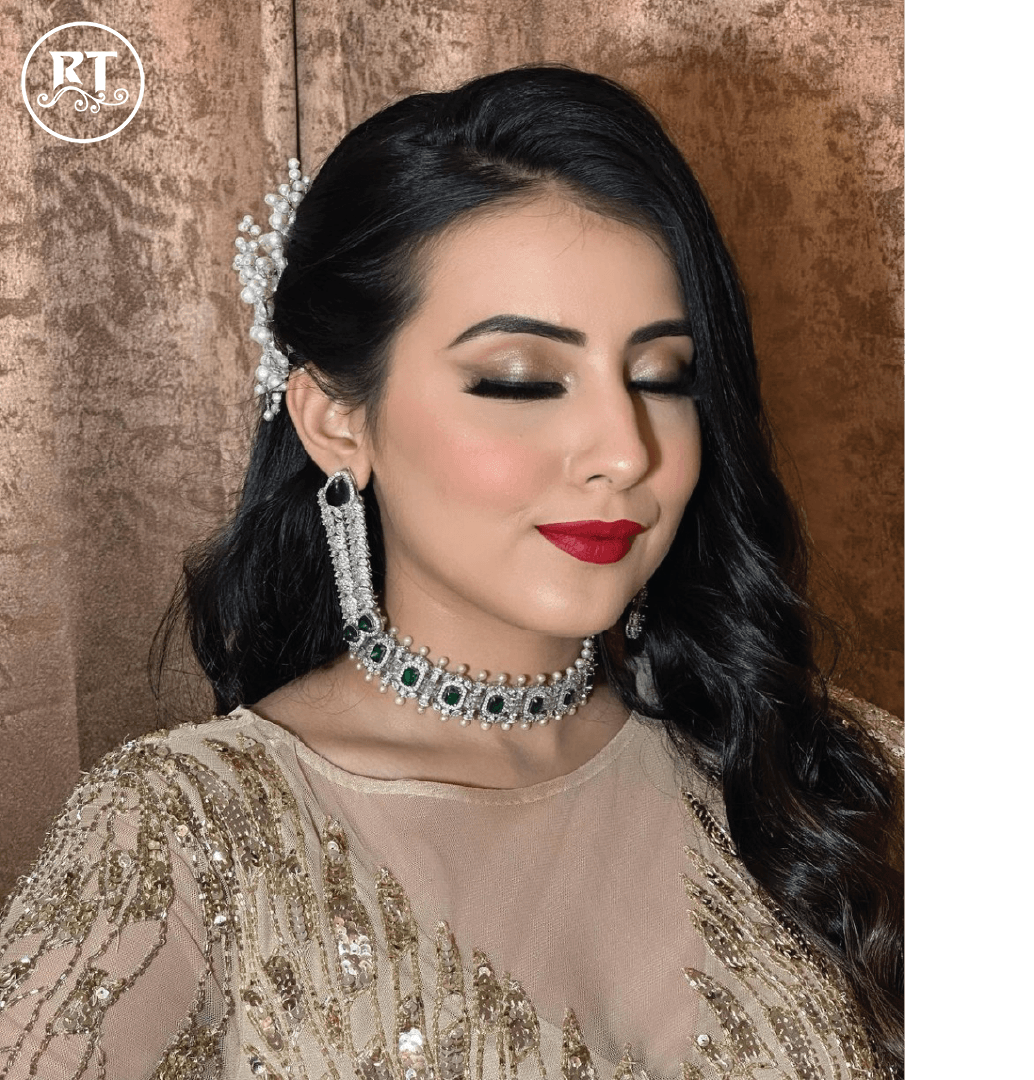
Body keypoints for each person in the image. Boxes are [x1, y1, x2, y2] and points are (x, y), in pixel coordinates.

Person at [0, 66, 903, 1079]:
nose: (624, 450)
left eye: (663, 377)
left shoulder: (829, 775)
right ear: (337, 421)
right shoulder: (183, 835)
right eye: (521, 382)